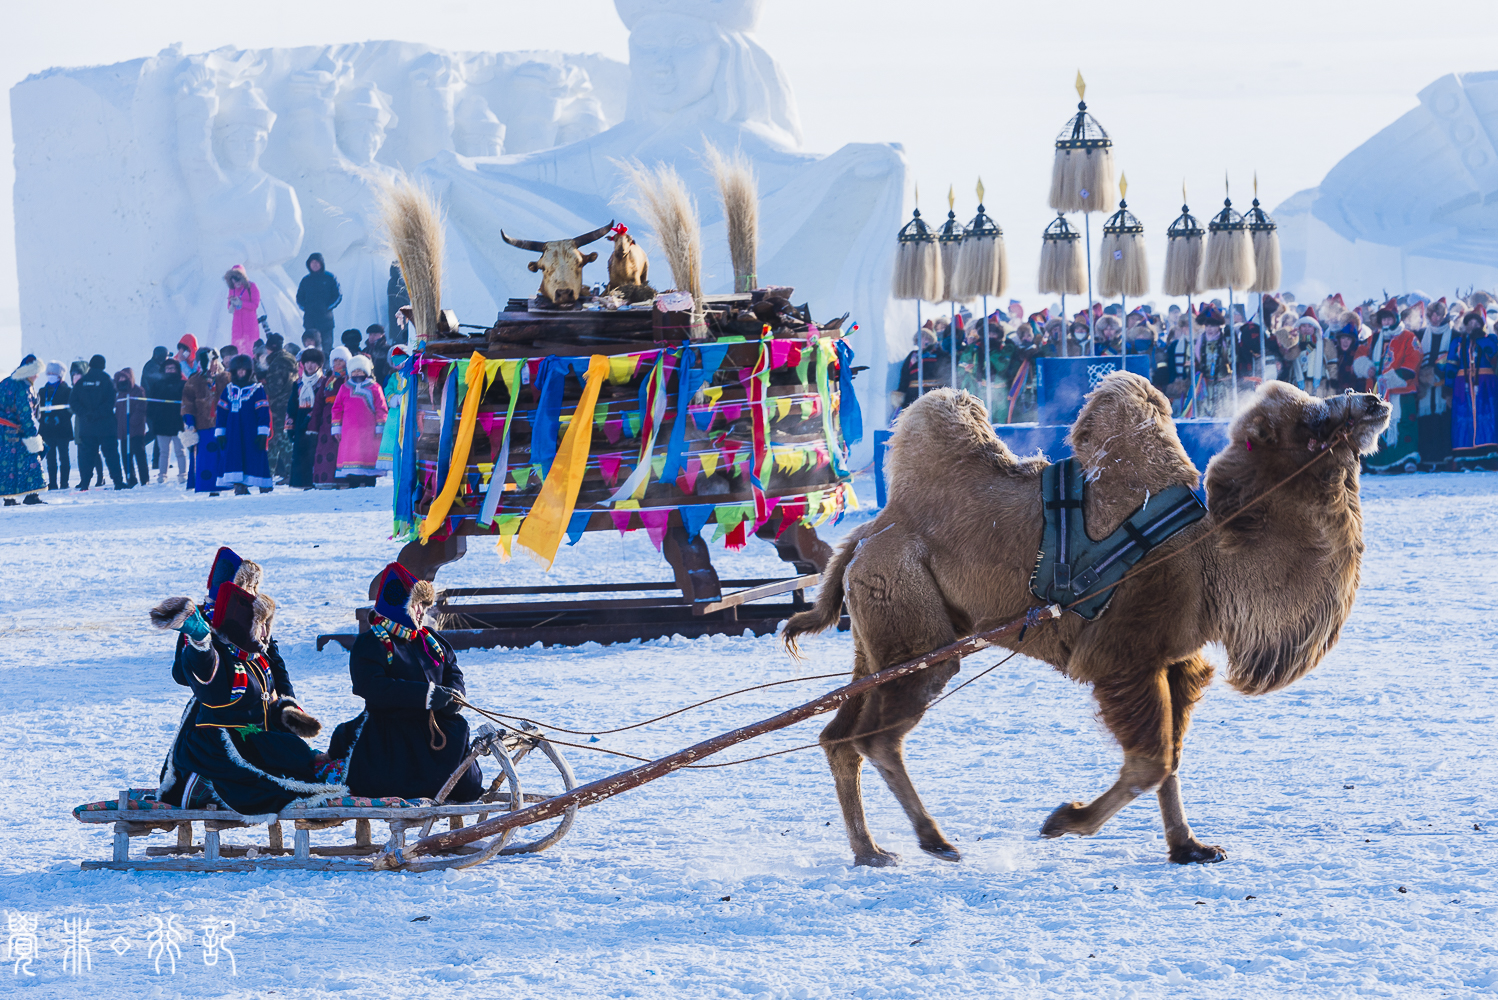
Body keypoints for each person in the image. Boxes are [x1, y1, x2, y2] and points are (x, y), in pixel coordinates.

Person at [152, 549, 341, 813]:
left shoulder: (254, 619)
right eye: (246, 585)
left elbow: (274, 664)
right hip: (221, 709)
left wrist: (287, 704)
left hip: (260, 708)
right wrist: (206, 647)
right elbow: (182, 674)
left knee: (288, 749)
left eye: (255, 585)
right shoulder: (205, 622)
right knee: (255, 760)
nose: (252, 591)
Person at [325, 563, 482, 802]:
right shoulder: (371, 643)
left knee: (467, 785)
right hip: (391, 735)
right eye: (417, 605)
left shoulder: (431, 640)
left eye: (424, 605)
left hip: (436, 732)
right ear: (399, 605)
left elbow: (452, 670)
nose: (421, 612)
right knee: (409, 785)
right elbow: (372, 687)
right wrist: (427, 696)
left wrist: (453, 696)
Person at [1355, 304, 1422, 471]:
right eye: (1383, 318)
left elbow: (1413, 359)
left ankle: (1407, 459)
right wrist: (1366, 367)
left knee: (1403, 423)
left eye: (1389, 318)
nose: (1386, 321)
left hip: (1401, 390)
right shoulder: (1374, 338)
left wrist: (1391, 378)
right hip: (1376, 390)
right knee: (1376, 425)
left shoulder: (1408, 337)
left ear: (1395, 319)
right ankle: (1378, 462)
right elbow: (1360, 353)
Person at [213, 353, 274, 495]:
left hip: (251, 431)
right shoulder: (228, 390)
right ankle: (239, 485)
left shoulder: (257, 389)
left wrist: (263, 433)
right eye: (238, 370)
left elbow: (263, 412)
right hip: (233, 432)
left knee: (255, 455)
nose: (241, 372)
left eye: (244, 370)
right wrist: (220, 433)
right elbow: (221, 412)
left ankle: (263, 484)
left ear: (249, 371)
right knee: (235, 456)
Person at [1447, 308, 1498, 467]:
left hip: (1486, 385)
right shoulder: (1458, 342)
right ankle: (1465, 455)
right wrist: (1448, 389)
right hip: (1462, 386)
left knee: (1487, 417)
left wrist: (1481, 339)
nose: (1473, 326)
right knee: (1463, 418)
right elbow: (1451, 365)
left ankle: (1488, 454)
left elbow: (1494, 356)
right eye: (1469, 323)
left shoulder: (1490, 339)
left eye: (1476, 323)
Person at [331, 354, 388, 487]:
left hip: (369, 429)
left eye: (360, 370)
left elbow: (381, 408)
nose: (357, 373)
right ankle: (353, 481)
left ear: (366, 371)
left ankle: (369, 480)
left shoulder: (375, 387)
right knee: (351, 454)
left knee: (368, 454)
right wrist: (336, 427)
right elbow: (337, 408)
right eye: (354, 371)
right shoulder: (344, 388)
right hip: (349, 430)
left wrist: (380, 426)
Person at [70, 354, 124, 491]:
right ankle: (117, 481)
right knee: (111, 454)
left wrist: (84, 414)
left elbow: (73, 402)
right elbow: (111, 402)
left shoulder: (82, 382)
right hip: (106, 425)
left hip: (87, 426)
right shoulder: (106, 380)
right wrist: (98, 414)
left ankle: (85, 483)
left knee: (87, 456)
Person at [181, 347, 230, 495]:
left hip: (224, 424)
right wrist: (189, 421)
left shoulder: (226, 378)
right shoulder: (194, 381)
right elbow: (187, 404)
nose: (210, 365)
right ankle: (208, 485)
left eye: (212, 361)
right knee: (206, 458)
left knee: (223, 455)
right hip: (203, 426)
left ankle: (226, 484)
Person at [0, 357, 46, 506]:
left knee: (7, 464)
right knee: (32, 460)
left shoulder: (6, 382)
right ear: (30, 372)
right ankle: (32, 495)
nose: (37, 376)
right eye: (36, 372)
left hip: (3, 432)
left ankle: (9, 498)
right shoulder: (23, 387)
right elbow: (26, 413)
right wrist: (33, 435)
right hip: (18, 431)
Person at [1416, 299, 1456, 468]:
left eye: (1438, 314)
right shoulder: (1421, 334)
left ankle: (1444, 456)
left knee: (1443, 418)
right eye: (1432, 314)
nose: (1435, 317)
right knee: (1426, 418)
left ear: (1443, 315)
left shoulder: (1454, 334)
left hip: (1444, 383)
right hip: (1425, 384)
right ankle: (1427, 456)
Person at [309, 346, 350, 487]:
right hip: (326, 422)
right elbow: (319, 403)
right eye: (335, 361)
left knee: (340, 449)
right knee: (325, 449)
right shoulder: (328, 381)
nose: (337, 364)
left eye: (340, 361)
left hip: (344, 419)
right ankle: (324, 480)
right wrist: (313, 425)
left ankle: (342, 480)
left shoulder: (349, 380)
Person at [260, 333, 298, 484]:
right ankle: (268, 473)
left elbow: (274, 388)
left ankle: (288, 472)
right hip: (288, 403)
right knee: (276, 439)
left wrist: (261, 386)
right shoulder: (290, 359)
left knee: (281, 440)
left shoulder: (277, 363)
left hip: (278, 406)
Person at [145, 357, 187, 483]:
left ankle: (183, 474)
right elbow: (151, 404)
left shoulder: (183, 384)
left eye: (172, 368)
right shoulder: (157, 385)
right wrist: (152, 420)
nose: (170, 371)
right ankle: (162, 475)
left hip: (179, 423)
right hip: (162, 423)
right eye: (167, 368)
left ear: (177, 370)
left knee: (180, 451)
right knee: (163, 452)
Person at [288, 348, 323, 489]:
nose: (310, 365)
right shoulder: (298, 383)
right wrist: (290, 427)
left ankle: (316, 480)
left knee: (315, 452)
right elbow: (291, 406)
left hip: (317, 420)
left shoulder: (324, 382)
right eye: (307, 362)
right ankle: (302, 482)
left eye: (313, 362)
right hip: (300, 421)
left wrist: (312, 417)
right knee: (301, 452)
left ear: (319, 364)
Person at [296, 252, 342, 355]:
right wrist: (307, 308)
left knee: (327, 348)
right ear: (309, 264)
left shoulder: (329, 278)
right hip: (310, 321)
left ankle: (327, 369)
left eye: (317, 262)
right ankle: (310, 369)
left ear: (321, 263)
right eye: (312, 262)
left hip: (326, 321)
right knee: (311, 350)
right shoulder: (306, 280)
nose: (315, 264)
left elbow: (338, 296)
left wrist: (327, 308)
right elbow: (299, 298)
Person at [37, 361, 72, 490]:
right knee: (50, 457)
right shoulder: (42, 391)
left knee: (64, 456)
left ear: (60, 375)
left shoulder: (67, 390)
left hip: (62, 429)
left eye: (54, 373)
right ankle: (52, 483)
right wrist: (43, 419)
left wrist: (59, 418)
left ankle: (64, 482)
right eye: (49, 373)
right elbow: (37, 410)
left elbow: (69, 409)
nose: (51, 375)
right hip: (47, 430)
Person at [114, 368, 150, 487]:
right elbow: (118, 410)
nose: (122, 380)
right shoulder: (120, 393)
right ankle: (131, 479)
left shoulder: (138, 391)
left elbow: (141, 408)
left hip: (135, 431)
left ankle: (144, 479)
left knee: (139, 455)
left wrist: (133, 422)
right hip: (123, 431)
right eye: (120, 378)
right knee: (125, 456)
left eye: (124, 378)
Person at [224, 265, 262, 358]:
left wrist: (242, 303)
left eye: (238, 280)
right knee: (237, 351)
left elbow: (255, 305)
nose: (236, 283)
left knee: (250, 350)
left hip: (250, 325)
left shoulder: (252, 287)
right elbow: (229, 305)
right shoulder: (232, 289)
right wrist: (232, 305)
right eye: (234, 281)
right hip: (237, 326)